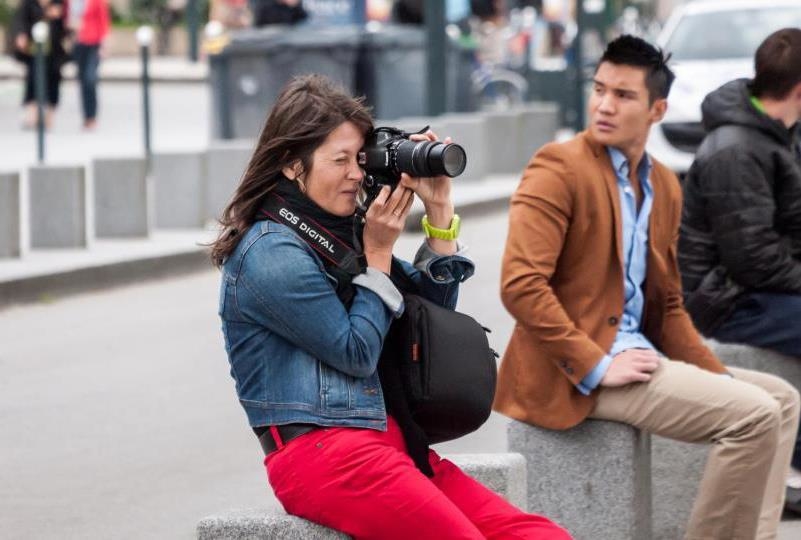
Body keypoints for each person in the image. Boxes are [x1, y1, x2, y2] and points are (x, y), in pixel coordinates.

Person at [210, 74, 571, 540]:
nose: (356, 174)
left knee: (538, 533)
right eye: (340, 160)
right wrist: (378, 254)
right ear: (292, 165)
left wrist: (439, 212)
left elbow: (427, 315)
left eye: (359, 159)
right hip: (322, 456)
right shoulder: (270, 252)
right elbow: (356, 351)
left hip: (393, 444)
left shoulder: (340, 238)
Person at [494, 35, 800, 540]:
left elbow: (669, 305)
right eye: (600, 89)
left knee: (781, 399)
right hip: (573, 372)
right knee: (753, 415)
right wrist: (596, 363)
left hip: (638, 356)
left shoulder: (662, 182)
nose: (604, 105)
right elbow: (521, 285)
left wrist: (715, 375)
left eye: (623, 95)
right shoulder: (558, 167)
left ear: (657, 109)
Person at [679, 27, 801, 511]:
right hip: (727, 299)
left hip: (757, 285)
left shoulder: (776, 133)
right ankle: (794, 470)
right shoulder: (737, 149)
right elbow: (753, 259)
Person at [12, 0, 68, 129]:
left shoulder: (59, 3)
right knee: (32, 79)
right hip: (34, 50)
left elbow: (66, 25)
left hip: (54, 50)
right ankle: (33, 115)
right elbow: (20, 20)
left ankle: (49, 117)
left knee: (53, 80)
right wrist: (21, 35)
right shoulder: (29, 3)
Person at [68, 0, 110, 130]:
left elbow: (103, 20)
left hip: (93, 43)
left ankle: (92, 116)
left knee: (90, 78)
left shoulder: (97, 1)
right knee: (82, 80)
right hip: (78, 43)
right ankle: (86, 116)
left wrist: (104, 44)